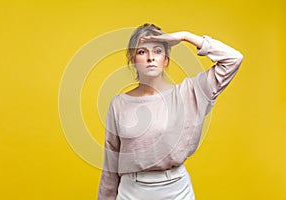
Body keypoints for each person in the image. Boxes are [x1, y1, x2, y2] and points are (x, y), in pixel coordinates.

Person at [98, 23, 243, 200]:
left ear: (166, 59)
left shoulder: (190, 93)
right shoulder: (119, 104)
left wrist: (185, 36)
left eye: (158, 51)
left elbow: (233, 59)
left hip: (176, 191)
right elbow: (110, 164)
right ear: (133, 59)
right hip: (131, 192)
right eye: (142, 52)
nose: (151, 57)